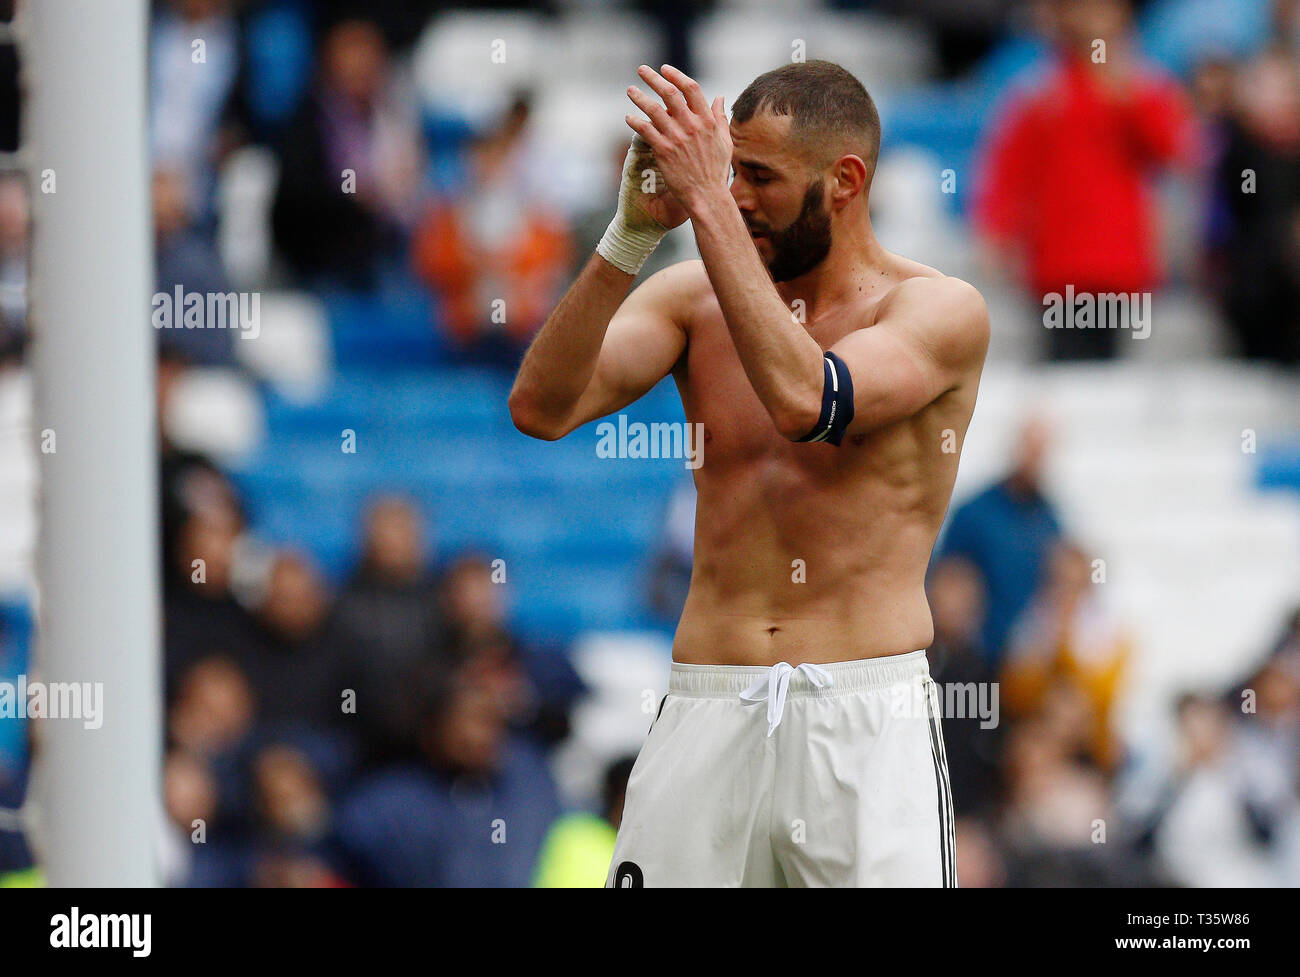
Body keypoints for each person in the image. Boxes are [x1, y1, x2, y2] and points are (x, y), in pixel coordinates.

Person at [509, 60, 989, 887]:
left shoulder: (938, 311)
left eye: (757, 176)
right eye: (727, 170)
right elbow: (542, 406)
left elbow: (811, 398)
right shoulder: (692, 301)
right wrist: (629, 236)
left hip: (865, 720)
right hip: (707, 701)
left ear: (845, 181)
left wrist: (700, 205)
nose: (731, 195)